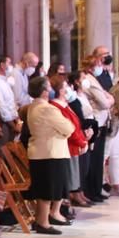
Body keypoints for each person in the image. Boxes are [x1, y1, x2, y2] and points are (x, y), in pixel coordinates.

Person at [25, 75, 75, 234]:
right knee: (48, 190)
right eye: (49, 87)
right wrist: (63, 130)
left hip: (41, 152)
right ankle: (43, 223)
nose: (51, 90)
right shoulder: (47, 108)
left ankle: (42, 220)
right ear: (44, 91)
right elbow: (68, 128)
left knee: (44, 189)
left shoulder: (32, 106)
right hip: (50, 153)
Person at [78, 51, 114, 203]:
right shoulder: (87, 80)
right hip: (96, 121)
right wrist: (110, 99)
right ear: (91, 67)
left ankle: (97, 189)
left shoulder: (94, 79)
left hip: (102, 120)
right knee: (94, 159)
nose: (101, 66)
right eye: (99, 64)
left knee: (98, 159)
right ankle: (92, 190)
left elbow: (107, 96)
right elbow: (105, 102)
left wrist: (109, 98)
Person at [50, 75, 87, 211]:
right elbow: (68, 129)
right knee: (67, 180)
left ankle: (65, 207)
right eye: (66, 86)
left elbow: (75, 124)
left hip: (73, 146)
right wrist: (82, 142)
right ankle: (62, 209)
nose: (70, 88)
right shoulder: (56, 106)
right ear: (61, 91)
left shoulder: (65, 105)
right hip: (67, 147)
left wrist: (84, 138)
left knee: (71, 179)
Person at [65, 72, 98, 207]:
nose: (86, 80)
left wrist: (90, 128)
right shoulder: (72, 97)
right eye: (83, 78)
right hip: (79, 132)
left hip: (86, 130)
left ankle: (81, 191)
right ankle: (76, 193)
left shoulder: (82, 95)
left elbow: (88, 112)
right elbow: (78, 116)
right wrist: (85, 129)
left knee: (85, 165)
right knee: (78, 165)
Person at [0, 56, 19, 146]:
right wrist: (12, 125)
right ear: (2, 66)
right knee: (3, 151)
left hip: (10, 122)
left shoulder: (3, 81)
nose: (11, 66)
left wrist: (17, 120)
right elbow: (1, 107)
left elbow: (10, 103)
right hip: (4, 123)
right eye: (9, 63)